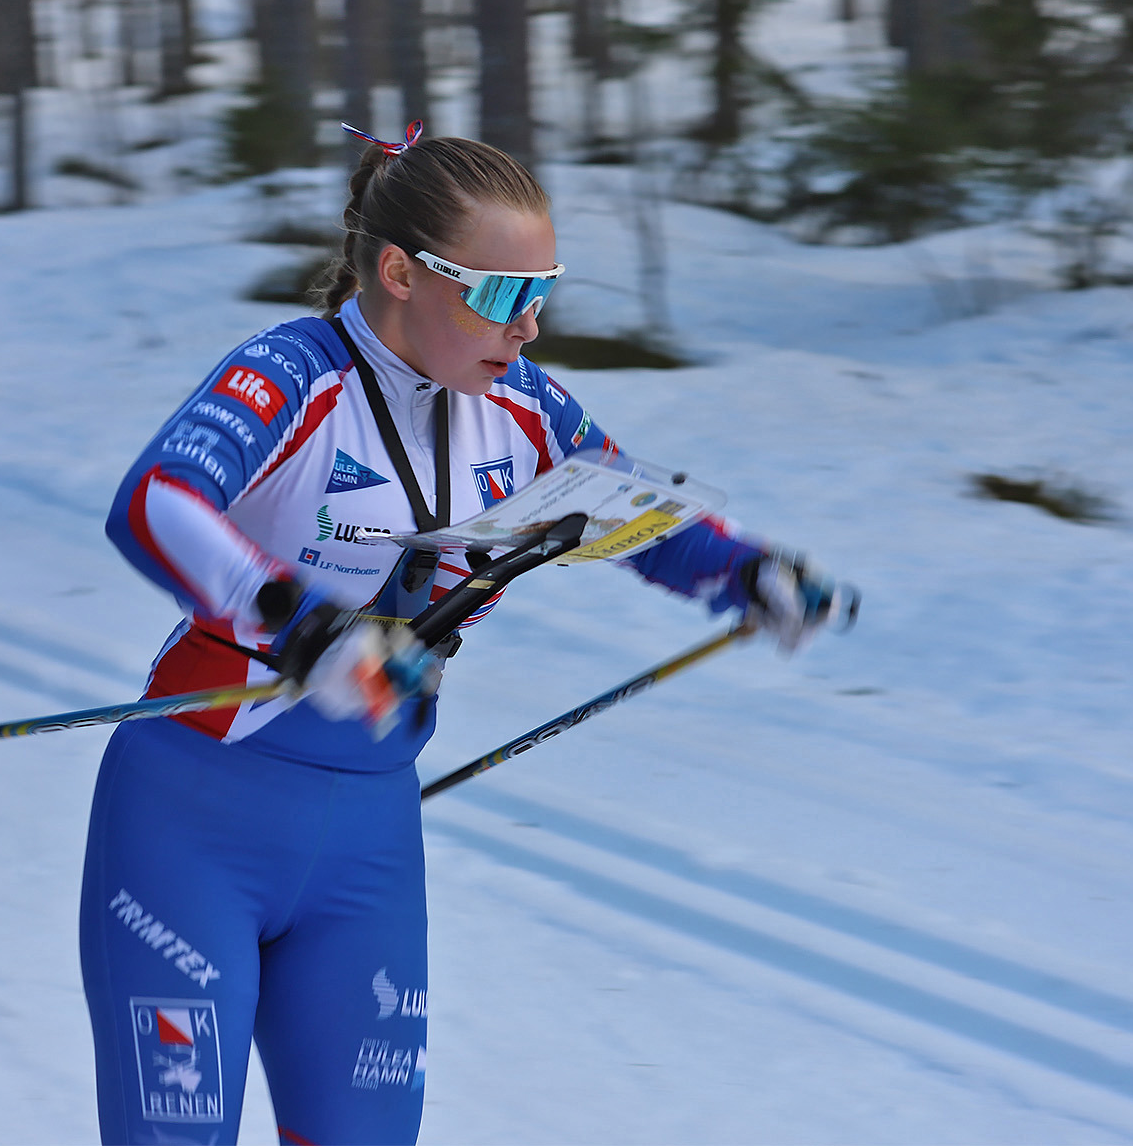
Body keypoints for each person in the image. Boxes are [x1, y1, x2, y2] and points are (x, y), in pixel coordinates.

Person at [85, 121, 843, 1146]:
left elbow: (636, 516)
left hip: (366, 845)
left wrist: (750, 571)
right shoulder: (294, 374)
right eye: (497, 293)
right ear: (400, 272)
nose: (527, 326)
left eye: (543, 291)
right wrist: (301, 628)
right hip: (192, 823)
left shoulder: (522, 407)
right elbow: (155, 501)